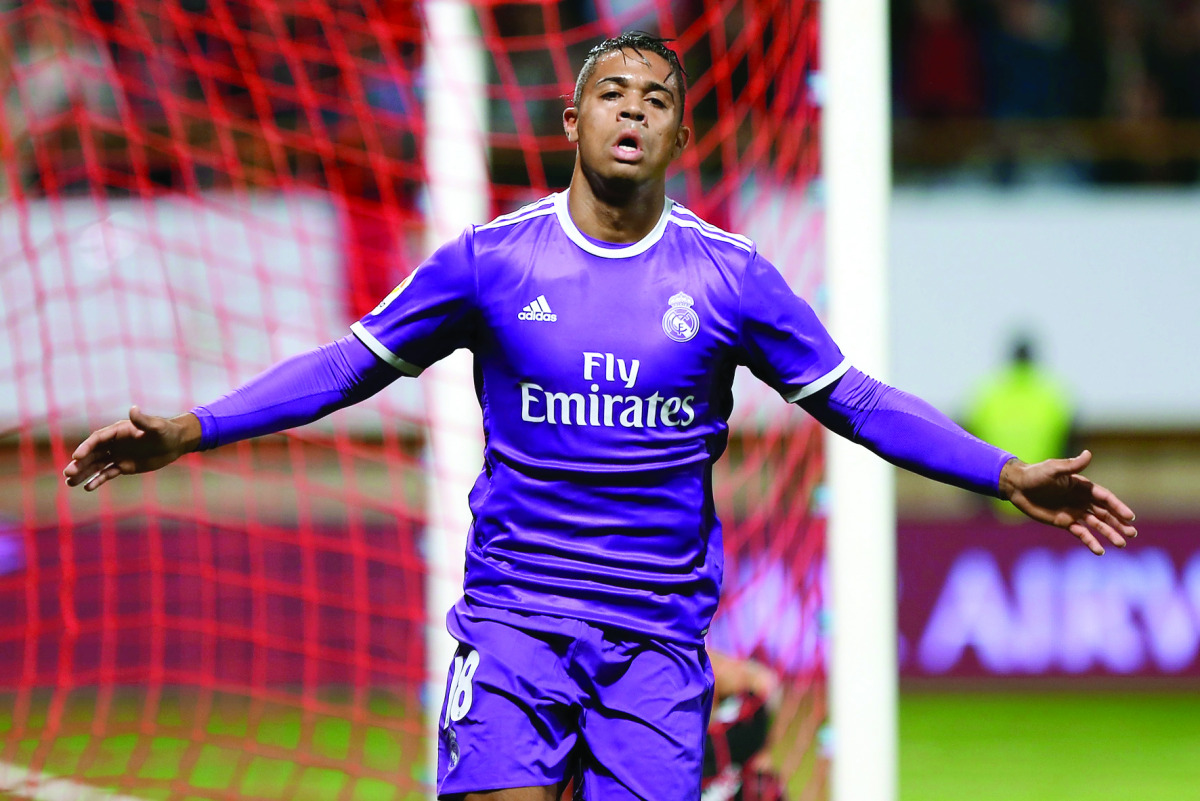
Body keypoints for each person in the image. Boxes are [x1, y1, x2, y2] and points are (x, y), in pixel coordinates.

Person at [64, 32, 1136, 801]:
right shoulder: (490, 263)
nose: (634, 108)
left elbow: (854, 400)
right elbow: (349, 367)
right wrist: (187, 431)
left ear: (679, 133)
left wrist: (1004, 473)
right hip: (516, 628)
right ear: (572, 122)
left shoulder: (731, 279)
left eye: (656, 98)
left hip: (659, 651)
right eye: (613, 92)